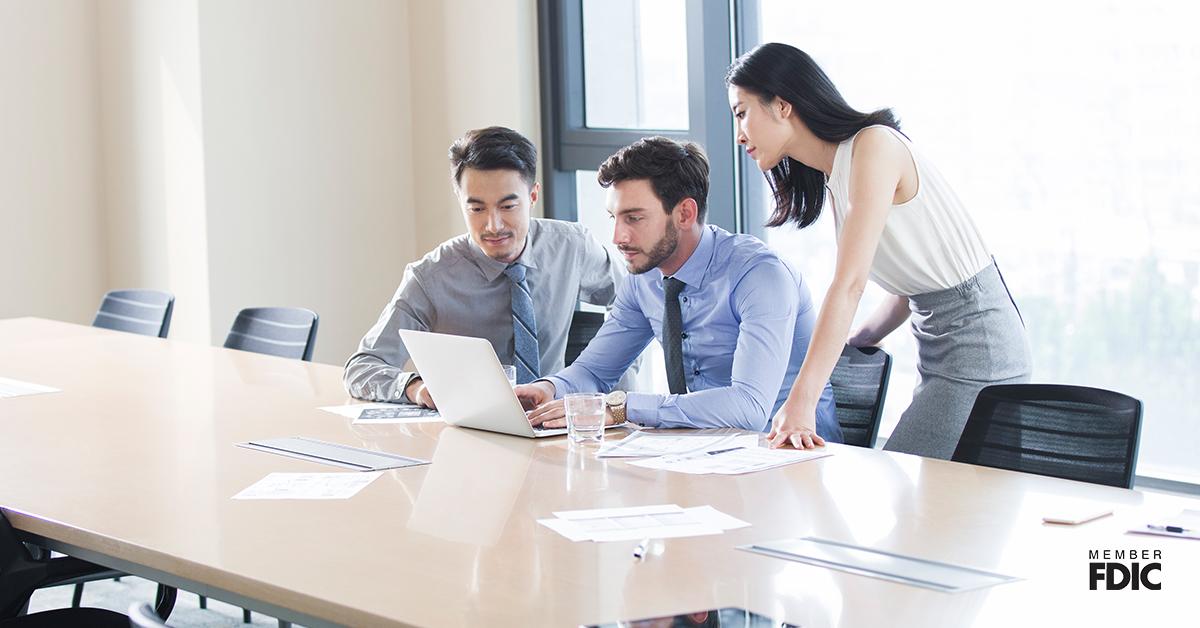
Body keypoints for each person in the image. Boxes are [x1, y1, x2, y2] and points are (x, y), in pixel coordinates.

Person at [726, 43, 1031, 458]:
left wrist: (802, 400)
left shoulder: (873, 146)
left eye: (741, 112)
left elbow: (849, 285)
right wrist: (860, 337)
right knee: (925, 499)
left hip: (978, 345)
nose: (738, 134)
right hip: (942, 343)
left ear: (781, 105)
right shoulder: (837, 174)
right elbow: (911, 283)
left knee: (915, 487)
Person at [516, 137, 840, 439]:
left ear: (685, 213)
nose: (617, 237)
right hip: (700, 454)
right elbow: (594, 372)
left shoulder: (759, 276)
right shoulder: (643, 280)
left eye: (634, 218)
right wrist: (550, 388)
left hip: (786, 457)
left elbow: (750, 408)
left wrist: (623, 408)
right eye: (614, 217)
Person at [343, 126, 626, 408]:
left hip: (558, 422)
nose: (493, 226)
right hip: (473, 430)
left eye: (507, 206)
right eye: (476, 209)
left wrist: (612, 387)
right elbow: (362, 367)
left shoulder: (571, 246)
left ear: (532, 196)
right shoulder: (431, 277)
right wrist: (414, 388)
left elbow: (629, 301)